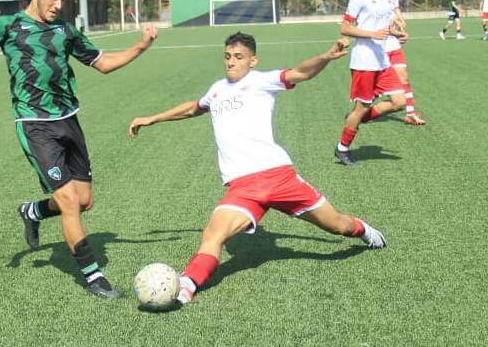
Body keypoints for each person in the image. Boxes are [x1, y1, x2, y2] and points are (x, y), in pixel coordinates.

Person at [128, 32, 387, 306]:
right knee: (212, 234)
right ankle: (186, 286)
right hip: (242, 187)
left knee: (338, 226)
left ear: (253, 60)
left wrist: (325, 56)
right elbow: (193, 107)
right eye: (227, 56)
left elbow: (300, 73)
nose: (231, 62)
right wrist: (152, 119)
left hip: (279, 177)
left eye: (238, 57)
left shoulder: (262, 81)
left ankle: (363, 230)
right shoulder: (217, 90)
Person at [0, 0, 159, 299]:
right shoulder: (7, 26)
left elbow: (103, 64)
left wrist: (142, 45)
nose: (58, 5)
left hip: (69, 119)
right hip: (34, 123)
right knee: (68, 201)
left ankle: (33, 211)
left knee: (84, 201)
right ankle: (94, 277)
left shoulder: (65, 30)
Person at [335, 0, 407, 166]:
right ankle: (342, 148)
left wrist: (395, 33)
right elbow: (345, 27)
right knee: (362, 107)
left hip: (382, 59)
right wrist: (372, 34)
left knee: (399, 101)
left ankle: (357, 117)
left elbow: (384, 24)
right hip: (364, 61)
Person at [389, 0, 425, 125]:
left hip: (393, 47)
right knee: (373, 87)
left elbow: (397, 12)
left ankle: (410, 113)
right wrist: (397, 26)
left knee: (404, 78)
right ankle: (360, 112)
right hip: (377, 48)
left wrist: (401, 22)